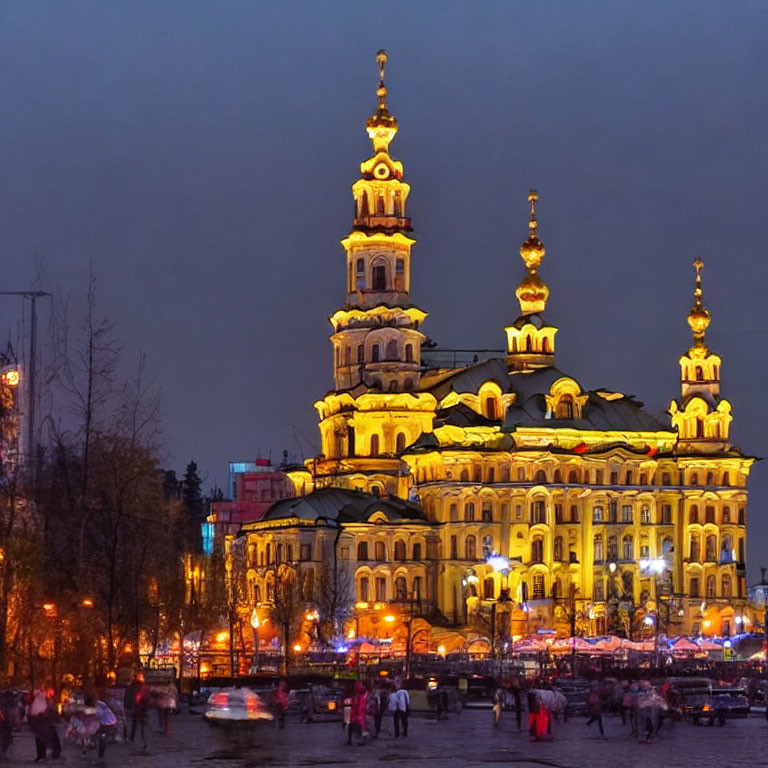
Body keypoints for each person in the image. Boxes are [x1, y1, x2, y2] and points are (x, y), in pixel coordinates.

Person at [129, 675, 149, 750]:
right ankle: (138, 739)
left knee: (138, 725)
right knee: (138, 725)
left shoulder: (140, 692)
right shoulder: (140, 692)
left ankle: (137, 739)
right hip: (140, 710)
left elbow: (136, 701)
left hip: (140, 710)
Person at [347, 681, 367, 745]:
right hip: (358, 713)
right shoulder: (361, 694)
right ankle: (359, 739)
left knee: (358, 727)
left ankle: (358, 739)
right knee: (359, 726)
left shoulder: (357, 695)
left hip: (358, 713)